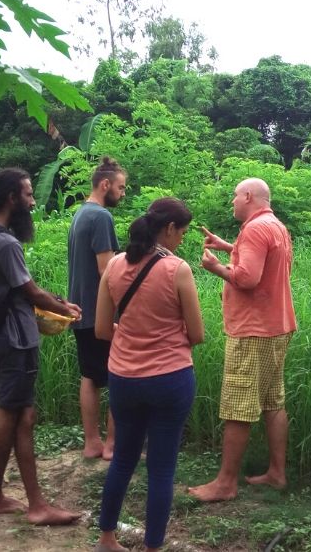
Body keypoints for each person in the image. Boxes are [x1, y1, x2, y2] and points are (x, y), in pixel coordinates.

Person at [94, 198, 204, 552]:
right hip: (170, 378)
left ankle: (106, 539)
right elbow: (197, 334)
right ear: (168, 229)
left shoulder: (113, 266)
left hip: (124, 378)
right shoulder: (178, 270)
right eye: (182, 232)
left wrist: (133, 336)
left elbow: (101, 329)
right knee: (161, 469)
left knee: (123, 459)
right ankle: (153, 547)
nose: (183, 239)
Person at [0, 168, 81, 526]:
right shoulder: (5, 242)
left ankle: (10, 497)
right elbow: (30, 291)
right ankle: (22, 503)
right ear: (12, 198)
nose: (33, 201)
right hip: (16, 339)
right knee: (12, 413)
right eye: (29, 194)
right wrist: (64, 308)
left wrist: (55, 301)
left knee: (23, 415)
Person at [188, 178, 297, 502]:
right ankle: (277, 473)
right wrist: (228, 247)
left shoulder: (254, 229)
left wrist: (216, 267)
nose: (232, 201)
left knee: (238, 406)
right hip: (277, 326)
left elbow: (247, 278)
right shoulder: (274, 225)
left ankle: (225, 483)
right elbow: (261, 263)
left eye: (235, 196)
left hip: (254, 330)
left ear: (248, 196)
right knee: (273, 402)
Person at [68, 157, 127, 460]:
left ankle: (92, 442)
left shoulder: (80, 214)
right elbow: (107, 270)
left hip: (80, 311)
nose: (123, 193)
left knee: (90, 377)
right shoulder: (101, 216)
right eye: (121, 187)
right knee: (119, 374)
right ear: (106, 185)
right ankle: (113, 445)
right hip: (100, 313)